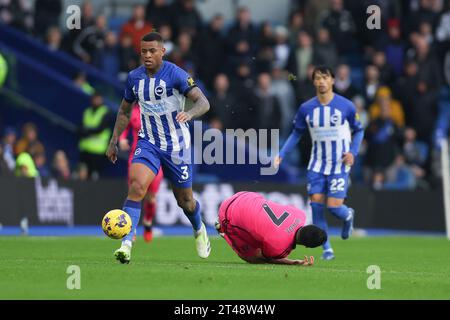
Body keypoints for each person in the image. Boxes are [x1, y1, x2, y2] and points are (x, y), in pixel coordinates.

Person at [106, 32, 211, 264]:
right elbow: (124, 111)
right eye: (143, 51)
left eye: (152, 51)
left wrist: (190, 113)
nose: (147, 55)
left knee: (185, 201)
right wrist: (114, 141)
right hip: (148, 143)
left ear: (162, 51)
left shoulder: (175, 74)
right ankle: (126, 244)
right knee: (137, 187)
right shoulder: (134, 78)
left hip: (177, 146)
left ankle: (198, 228)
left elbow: (204, 102)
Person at [275, 65, 364, 260]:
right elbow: (297, 133)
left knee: (333, 207)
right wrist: (281, 154)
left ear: (332, 80)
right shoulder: (306, 108)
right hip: (316, 164)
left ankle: (348, 215)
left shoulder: (346, 106)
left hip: (339, 164)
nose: (321, 81)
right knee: (316, 204)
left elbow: (359, 130)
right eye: (318, 78)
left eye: (325, 77)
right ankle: (326, 248)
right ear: (314, 81)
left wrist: (353, 152)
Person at [215, 191, 327, 265]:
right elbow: (267, 258)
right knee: (253, 257)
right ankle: (223, 230)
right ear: (307, 246)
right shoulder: (279, 248)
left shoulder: (300, 214)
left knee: (261, 236)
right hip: (227, 214)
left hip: (244, 195)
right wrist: (293, 262)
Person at [119, 102, 164, 242]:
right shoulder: (133, 111)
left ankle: (148, 222)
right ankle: (130, 229)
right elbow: (124, 127)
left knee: (151, 197)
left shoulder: (159, 108)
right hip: (136, 156)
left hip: (156, 157)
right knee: (134, 192)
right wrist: (121, 139)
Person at [78, 93, 112, 179]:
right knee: (83, 174)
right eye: (95, 98)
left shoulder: (106, 112)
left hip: (98, 151)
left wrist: (86, 131)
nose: (96, 101)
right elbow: (80, 127)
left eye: (98, 98)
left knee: (94, 176)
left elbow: (100, 129)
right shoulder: (87, 111)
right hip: (85, 148)